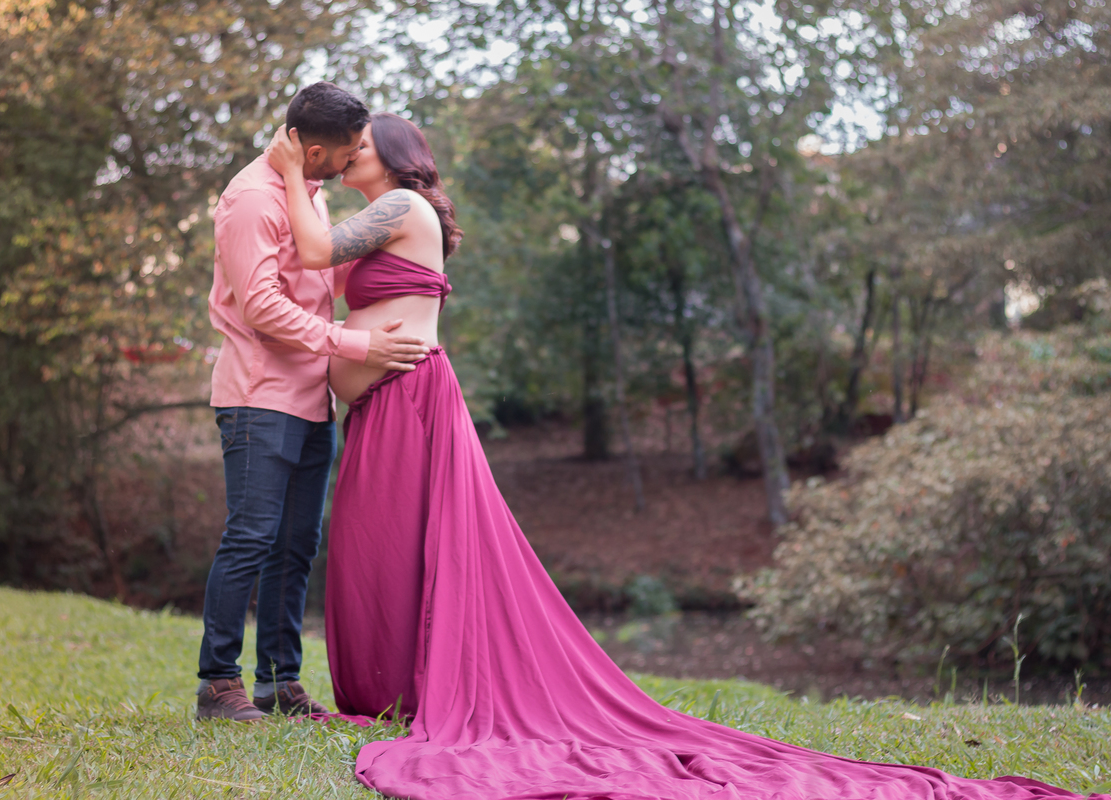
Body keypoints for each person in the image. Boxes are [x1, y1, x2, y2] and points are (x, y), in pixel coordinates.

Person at [265, 120, 1105, 799]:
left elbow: (309, 252)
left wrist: (288, 164)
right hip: (374, 406)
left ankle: (413, 693)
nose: (351, 156)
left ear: (402, 158)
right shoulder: (380, 225)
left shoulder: (403, 207)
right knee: (375, 552)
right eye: (347, 147)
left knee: (409, 544)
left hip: (411, 405)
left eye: (362, 145)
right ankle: (387, 691)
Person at [195, 83, 430, 723]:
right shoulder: (250, 201)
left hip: (311, 400)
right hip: (258, 397)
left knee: (295, 545)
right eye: (350, 150)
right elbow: (263, 308)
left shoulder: (311, 193)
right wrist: (352, 344)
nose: (355, 159)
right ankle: (218, 684)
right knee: (250, 538)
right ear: (316, 149)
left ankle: (279, 683)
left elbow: (323, 275)